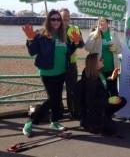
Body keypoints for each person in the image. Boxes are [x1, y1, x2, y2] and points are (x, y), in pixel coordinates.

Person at [21, 9, 81, 137]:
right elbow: (32, 52)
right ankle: (31, 123)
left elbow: (68, 52)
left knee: (56, 98)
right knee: (52, 99)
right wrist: (30, 39)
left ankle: (54, 121)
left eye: (58, 19)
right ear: (48, 20)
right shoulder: (41, 35)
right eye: (53, 19)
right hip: (47, 72)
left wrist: (75, 43)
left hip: (61, 72)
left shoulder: (63, 35)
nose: (56, 22)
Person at [80, 53, 127, 135]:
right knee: (113, 130)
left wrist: (112, 78)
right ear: (95, 63)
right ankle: (94, 122)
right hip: (94, 111)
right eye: (100, 59)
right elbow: (90, 103)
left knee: (122, 101)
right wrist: (108, 100)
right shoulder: (91, 81)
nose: (103, 60)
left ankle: (105, 116)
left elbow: (103, 86)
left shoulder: (99, 73)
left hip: (101, 106)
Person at [85, 17, 122, 96]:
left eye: (102, 21)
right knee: (100, 92)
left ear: (107, 22)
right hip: (98, 69)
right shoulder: (94, 34)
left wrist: (115, 49)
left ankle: (113, 108)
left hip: (112, 68)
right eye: (99, 21)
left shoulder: (114, 34)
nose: (100, 23)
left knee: (113, 92)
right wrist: (94, 37)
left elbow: (120, 50)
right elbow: (87, 48)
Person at [59, 8, 85, 117]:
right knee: (57, 91)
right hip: (57, 65)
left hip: (71, 65)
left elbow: (82, 45)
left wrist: (79, 40)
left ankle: (72, 111)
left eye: (67, 15)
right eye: (63, 15)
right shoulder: (55, 29)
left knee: (72, 90)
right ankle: (59, 111)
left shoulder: (75, 28)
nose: (65, 17)